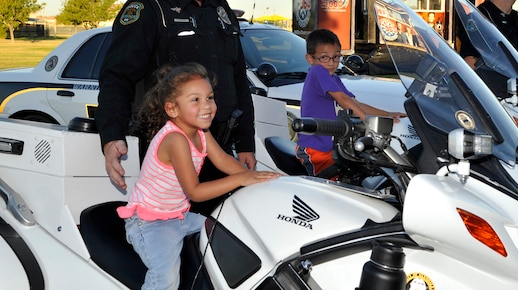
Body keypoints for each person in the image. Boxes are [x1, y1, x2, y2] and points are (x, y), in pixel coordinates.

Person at [95, 0, 256, 213]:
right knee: (177, 245)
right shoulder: (149, 8)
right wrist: (111, 136)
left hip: (218, 148)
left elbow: (237, 77)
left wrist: (246, 142)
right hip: (171, 156)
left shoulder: (220, 9)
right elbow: (116, 77)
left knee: (222, 244)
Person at [117, 63, 279, 290]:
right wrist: (242, 180)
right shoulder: (176, 140)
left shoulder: (201, 132)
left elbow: (223, 160)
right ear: (172, 109)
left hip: (179, 216)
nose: (207, 106)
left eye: (210, 97)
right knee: (165, 278)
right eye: (196, 100)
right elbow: (194, 191)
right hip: (150, 223)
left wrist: (258, 178)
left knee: (230, 235)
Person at [295, 29, 406, 177]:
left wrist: (386, 114)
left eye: (336, 57)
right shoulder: (317, 72)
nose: (332, 63)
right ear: (310, 59)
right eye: (324, 57)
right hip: (315, 149)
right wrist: (367, 123)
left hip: (332, 147)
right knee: (329, 189)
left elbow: (354, 103)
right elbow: (343, 99)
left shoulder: (333, 78)